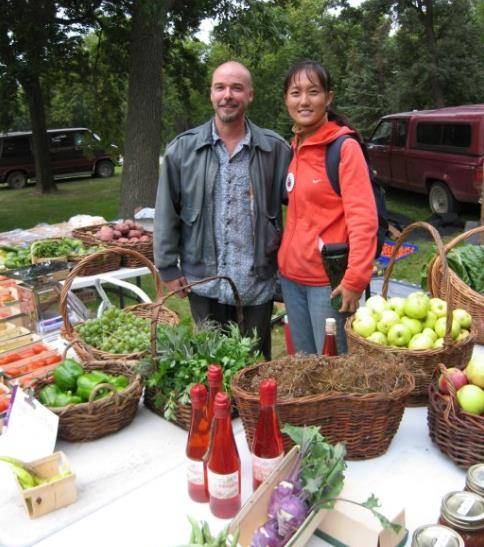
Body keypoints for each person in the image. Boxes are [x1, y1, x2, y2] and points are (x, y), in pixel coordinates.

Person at [154, 61, 291, 361]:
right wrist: (167, 266)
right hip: (204, 282)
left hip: (256, 283)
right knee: (211, 365)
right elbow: (166, 211)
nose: (228, 95)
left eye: (236, 88)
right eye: (221, 87)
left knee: (254, 368)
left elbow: (299, 210)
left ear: (250, 96)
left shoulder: (275, 150)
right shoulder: (182, 151)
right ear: (211, 95)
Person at [277, 60, 378, 354]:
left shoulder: (344, 148)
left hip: (328, 285)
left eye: (313, 92)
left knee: (333, 372)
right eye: (296, 93)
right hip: (291, 279)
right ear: (286, 99)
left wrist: (355, 278)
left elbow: (363, 219)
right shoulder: (296, 147)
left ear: (328, 98)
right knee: (305, 366)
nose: (304, 101)